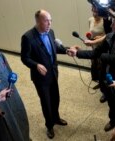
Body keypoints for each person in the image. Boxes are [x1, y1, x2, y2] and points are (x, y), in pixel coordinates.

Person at [67, 11, 115, 131]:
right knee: (111, 102)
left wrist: (102, 56)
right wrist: (77, 53)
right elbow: (95, 53)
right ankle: (113, 120)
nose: (111, 26)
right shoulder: (111, 36)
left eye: (114, 24)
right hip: (107, 76)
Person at [21, 9, 71, 139]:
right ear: (38, 21)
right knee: (46, 102)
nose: (49, 24)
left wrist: (67, 50)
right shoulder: (28, 37)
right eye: (46, 21)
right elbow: (24, 58)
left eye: (50, 20)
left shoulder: (51, 32)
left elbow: (53, 49)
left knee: (55, 98)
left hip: (53, 72)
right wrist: (36, 65)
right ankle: (49, 125)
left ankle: (56, 118)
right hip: (40, 77)